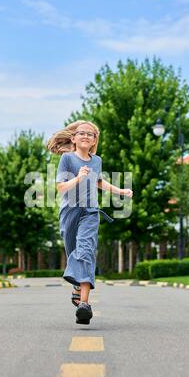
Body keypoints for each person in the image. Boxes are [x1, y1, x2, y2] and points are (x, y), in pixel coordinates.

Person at [47, 120, 133, 324]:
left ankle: (84, 304)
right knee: (72, 253)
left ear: (94, 141)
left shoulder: (97, 161)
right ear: (73, 138)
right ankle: (77, 286)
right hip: (69, 212)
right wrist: (77, 178)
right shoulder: (67, 159)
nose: (86, 136)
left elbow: (99, 181)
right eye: (82, 133)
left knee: (86, 251)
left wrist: (121, 191)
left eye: (91, 134)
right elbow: (60, 187)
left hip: (90, 212)